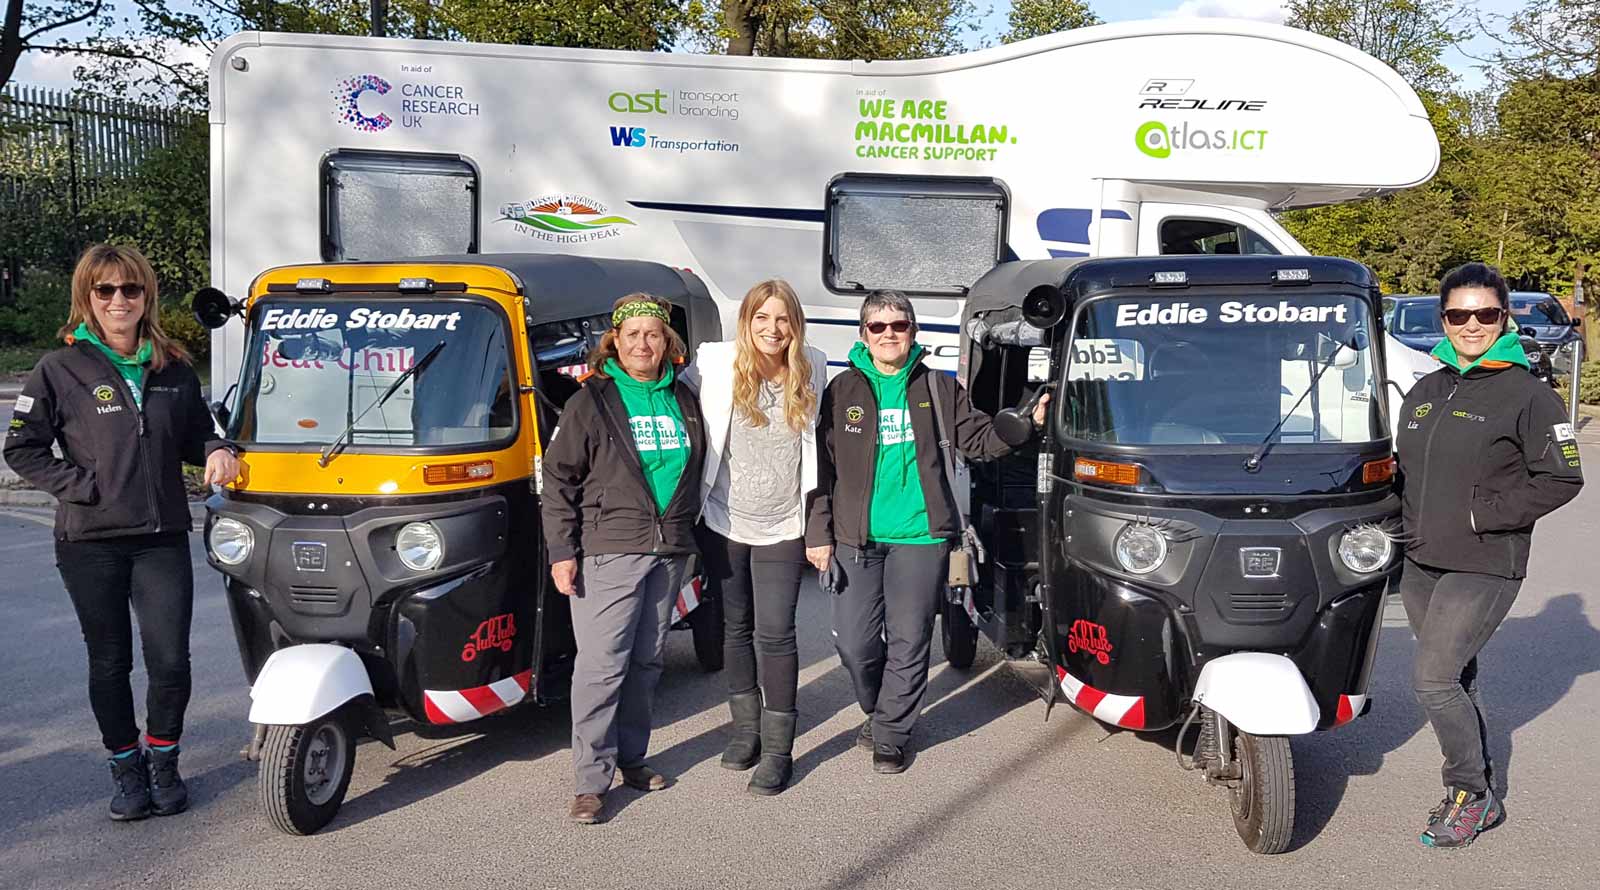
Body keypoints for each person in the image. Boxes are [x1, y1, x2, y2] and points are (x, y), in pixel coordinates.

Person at [3, 244, 240, 821]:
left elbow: (196, 436)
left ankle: (164, 759)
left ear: (145, 296)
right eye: (104, 290)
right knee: (109, 662)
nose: (117, 301)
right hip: (91, 542)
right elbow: (22, 447)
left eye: (129, 289)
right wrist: (84, 487)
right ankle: (125, 767)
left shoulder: (173, 367)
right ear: (86, 297)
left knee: (170, 662)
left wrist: (218, 448)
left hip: (160, 538)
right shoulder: (58, 368)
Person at [804, 290, 1049, 774]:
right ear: (863, 336)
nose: (889, 334)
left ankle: (892, 732)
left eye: (899, 325)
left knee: (910, 637)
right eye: (879, 327)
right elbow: (821, 469)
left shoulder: (936, 388)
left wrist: (1024, 425)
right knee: (854, 643)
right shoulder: (841, 391)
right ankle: (879, 708)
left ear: (913, 332)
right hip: (857, 539)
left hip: (921, 538)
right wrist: (818, 532)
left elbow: (977, 438)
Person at [1396, 261, 1583, 848]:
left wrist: (1482, 515)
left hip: (1485, 560)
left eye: (1485, 313)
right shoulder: (1427, 389)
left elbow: (1563, 476)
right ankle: (1482, 782)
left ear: (1503, 317)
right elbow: (1404, 471)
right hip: (1421, 560)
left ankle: (1470, 794)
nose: (1471, 325)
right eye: (1458, 314)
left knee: (1432, 680)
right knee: (1458, 677)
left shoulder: (1529, 394)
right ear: (1443, 320)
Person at [540, 293, 706, 824]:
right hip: (608, 550)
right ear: (614, 341)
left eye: (653, 334)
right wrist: (563, 551)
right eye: (631, 334)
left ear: (668, 343)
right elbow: (559, 479)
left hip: (667, 549)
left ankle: (632, 757)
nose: (642, 343)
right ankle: (591, 781)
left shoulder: (683, 398)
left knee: (646, 661)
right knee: (600, 667)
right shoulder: (592, 401)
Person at [681, 280, 827, 795]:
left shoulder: (813, 368)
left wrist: (820, 526)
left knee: (776, 632)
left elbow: (822, 455)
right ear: (746, 321)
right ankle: (746, 732)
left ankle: (780, 748)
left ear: (796, 324)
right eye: (761, 318)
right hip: (724, 521)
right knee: (735, 628)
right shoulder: (714, 367)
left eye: (782, 318)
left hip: (784, 524)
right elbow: (663, 393)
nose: (772, 329)